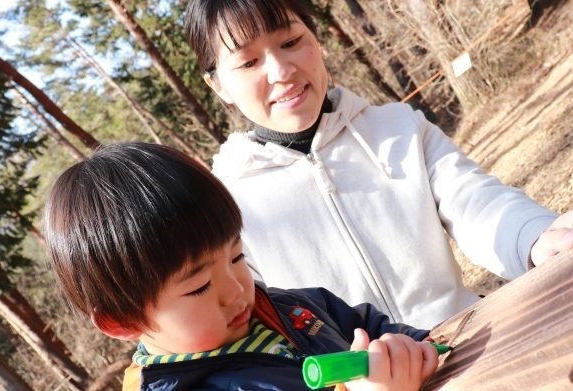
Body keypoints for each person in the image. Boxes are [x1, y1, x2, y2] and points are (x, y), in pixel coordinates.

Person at [183, 0, 573, 329]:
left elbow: (476, 202)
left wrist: (534, 239)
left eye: (290, 41)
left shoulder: (400, 128)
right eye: (249, 62)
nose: (281, 72)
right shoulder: (224, 207)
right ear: (218, 85)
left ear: (316, 39)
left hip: (472, 344)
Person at [42, 142, 440, 391]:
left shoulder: (293, 310)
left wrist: (414, 348)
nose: (236, 290)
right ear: (123, 321)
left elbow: (370, 326)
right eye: (199, 287)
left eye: (236, 257)